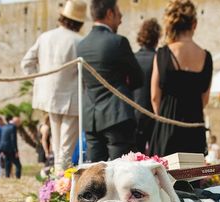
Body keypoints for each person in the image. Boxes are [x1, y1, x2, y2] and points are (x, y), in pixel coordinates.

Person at [21, 0, 87, 173]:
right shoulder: (80, 41)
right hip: (71, 101)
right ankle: (60, 187)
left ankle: (57, 186)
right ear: (80, 21)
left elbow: (26, 64)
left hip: (49, 98)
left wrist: (40, 82)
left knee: (58, 148)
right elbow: (86, 74)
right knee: (65, 149)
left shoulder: (45, 37)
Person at [76, 0, 144, 162]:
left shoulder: (81, 45)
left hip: (91, 117)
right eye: (118, 14)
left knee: (95, 173)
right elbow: (138, 78)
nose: (120, 19)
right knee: (121, 172)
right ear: (109, 13)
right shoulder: (118, 42)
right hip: (117, 115)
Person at [149, 0, 212, 157]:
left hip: (167, 125)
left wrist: (164, 117)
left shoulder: (163, 54)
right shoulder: (206, 57)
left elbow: (155, 97)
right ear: (194, 24)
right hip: (194, 127)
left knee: (164, 178)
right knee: (192, 178)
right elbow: (205, 99)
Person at [133, 18, 161, 154]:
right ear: (157, 38)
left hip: (134, 113)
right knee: (155, 157)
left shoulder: (133, 58)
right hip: (153, 113)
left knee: (136, 157)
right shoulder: (159, 59)